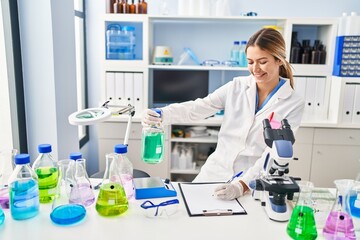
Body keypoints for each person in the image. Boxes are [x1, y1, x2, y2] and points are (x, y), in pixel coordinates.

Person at [142, 28, 304, 200]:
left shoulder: (292, 103)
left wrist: (242, 185)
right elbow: (200, 107)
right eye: (250, 62)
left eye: (262, 61)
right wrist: (163, 114)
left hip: (253, 181)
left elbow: (273, 153)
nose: (255, 68)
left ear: (279, 60)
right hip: (214, 172)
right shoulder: (237, 86)